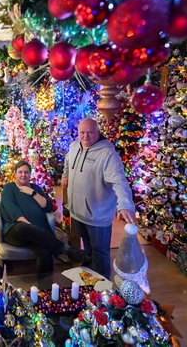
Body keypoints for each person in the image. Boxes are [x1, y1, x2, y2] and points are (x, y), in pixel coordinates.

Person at [61, 118, 135, 279]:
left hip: (97, 216)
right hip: (77, 212)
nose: (85, 136)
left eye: (90, 132)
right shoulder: (74, 146)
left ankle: (103, 290)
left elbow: (119, 181)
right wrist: (65, 175)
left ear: (98, 132)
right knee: (87, 250)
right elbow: (67, 162)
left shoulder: (108, 154)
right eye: (82, 132)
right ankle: (88, 279)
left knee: (100, 254)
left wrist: (125, 204)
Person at [0, 160, 80, 274]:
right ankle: (65, 249)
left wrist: (32, 193)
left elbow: (47, 207)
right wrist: (30, 226)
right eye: (20, 172)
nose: (23, 175)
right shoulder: (9, 188)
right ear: (15, 174)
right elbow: (11, 209)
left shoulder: (36, 188)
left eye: (26, 172)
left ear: (30, 174)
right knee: (23, 227)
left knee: (45, 251)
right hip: (15, 231)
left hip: (37, 234)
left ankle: (45, 287)